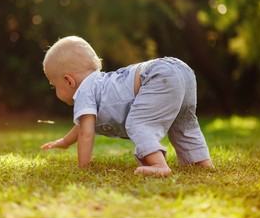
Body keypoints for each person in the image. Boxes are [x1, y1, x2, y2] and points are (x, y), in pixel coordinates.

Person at [40, 36, 213, 177]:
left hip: (156, 75)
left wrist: (83, 168)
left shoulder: (84, 90)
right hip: (181, 71)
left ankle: (159, 165)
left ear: (68, 81)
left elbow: (86, 132)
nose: (55, 91)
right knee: (183, 123)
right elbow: (83, 126)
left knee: (137, 123)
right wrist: (65, 141)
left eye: (54, 86)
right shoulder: (98, 84)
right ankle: (201, 162)